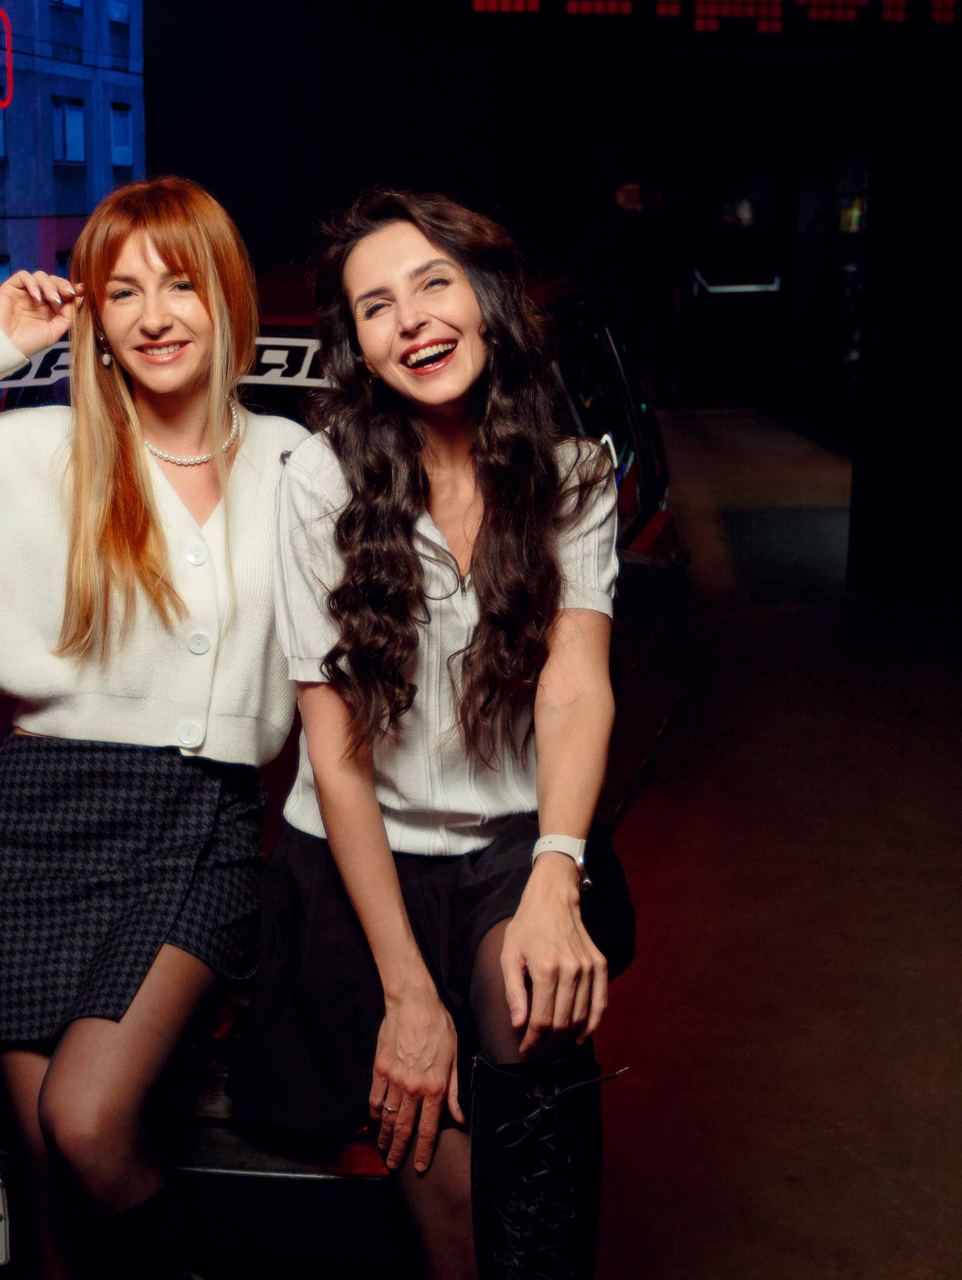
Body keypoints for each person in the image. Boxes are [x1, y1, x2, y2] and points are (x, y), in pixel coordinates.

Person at [0, 176, 306, 1279]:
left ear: (227, 295)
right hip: (31, 826)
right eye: (122, 292)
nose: (154, 315)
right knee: (47, 1182)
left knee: (87, 1122)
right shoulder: (33, 453)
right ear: (96, 320)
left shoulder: (296, 463)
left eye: (180, 284)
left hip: (199, 819)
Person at [231, 190, 634, 1280]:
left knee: (533, 1003)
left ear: (487, 297)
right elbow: (337, 753)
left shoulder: (572, 473)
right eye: (376, 306)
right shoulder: (319, 482)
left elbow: (575, 688)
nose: (410, 318)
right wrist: (408, 992)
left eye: (432, 283)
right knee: (441, 1178)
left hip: (511, 842)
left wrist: (558, 871)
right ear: (359, 347)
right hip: (364, 860)